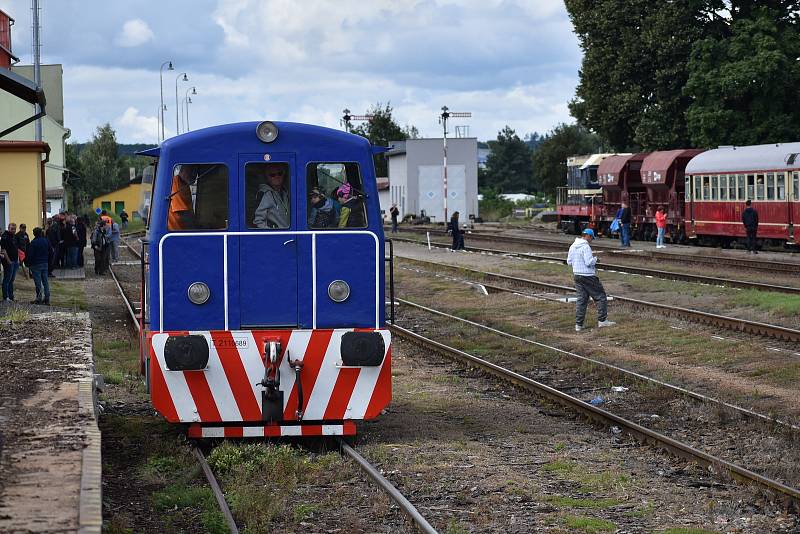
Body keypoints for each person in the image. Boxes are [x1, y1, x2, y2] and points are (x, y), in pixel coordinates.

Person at [566, 228, 615, 332]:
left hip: (577, 275)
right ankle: (602, 321)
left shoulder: (573, 246)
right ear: (587, 236)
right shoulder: (585, 246)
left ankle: (578, 325)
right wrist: (596, 259)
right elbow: (589, 262)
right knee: (601, 297)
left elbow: (569, 262)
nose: (592, 240)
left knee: (582, 300)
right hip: (588, 276)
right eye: (592, 237)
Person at [253, 164, 290, 229]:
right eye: (272, 175)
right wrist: (271, 232)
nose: (277, 176)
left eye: (280, 173)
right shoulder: (264, 194)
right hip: (276, 236)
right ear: (267, 178)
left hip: (288, 233)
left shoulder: (285, 192)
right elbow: (257, 221)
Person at [27, 227, 50, 305]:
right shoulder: (46, 241)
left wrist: (28, 263)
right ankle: (47, 298)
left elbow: (30, 255)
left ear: (34, 234)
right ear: (41, 233)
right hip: (45, 263)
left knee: (38, 283)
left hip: (36, 264)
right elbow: (51, 251)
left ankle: (39, 298)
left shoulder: (33, 242)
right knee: (45, 282)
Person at [168, 165, 196, 230]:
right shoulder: (175, 183)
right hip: (174, 231)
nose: (193, 174)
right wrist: (195, 230)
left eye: (195, 172)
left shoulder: (185, 185)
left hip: (181, 229)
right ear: (182, 170)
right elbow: (182, 212)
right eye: (191, 171)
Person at [1, 223, 19, 302]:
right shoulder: (5, 237)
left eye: (15, 229)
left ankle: (11, 296)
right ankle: (6, 297)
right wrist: (9, 261)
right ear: (8, 228)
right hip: (9, 261)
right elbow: (3, 251)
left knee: (11, 280)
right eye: (12, 229)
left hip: (15, 261)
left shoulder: (14, 236)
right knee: (7, 279)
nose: (13, 231)